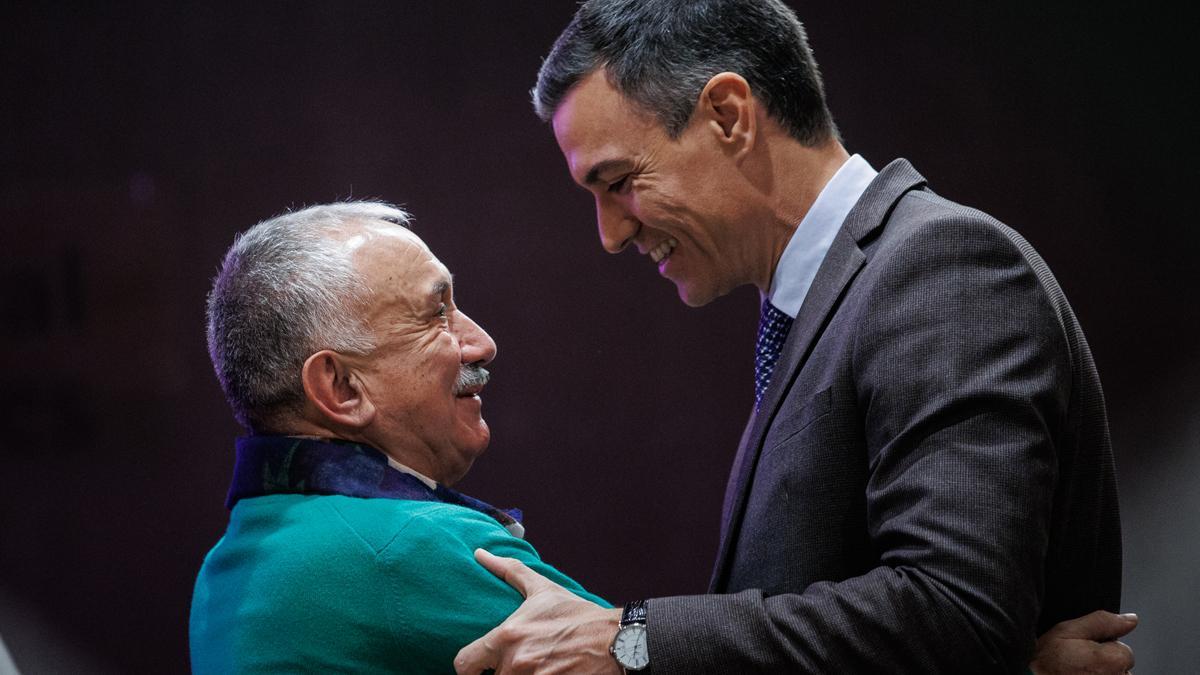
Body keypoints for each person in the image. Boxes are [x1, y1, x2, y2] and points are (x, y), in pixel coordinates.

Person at [454, 1, 1136, 672]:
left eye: (620, 182)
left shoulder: (943, 265)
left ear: (729, 115)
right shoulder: (821, 307)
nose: (611, 233)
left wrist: (629, 640)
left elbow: (957, 613)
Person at [189, 202, 607, 673]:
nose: (481, 343)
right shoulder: (416, 549)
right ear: (341, 387)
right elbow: (639, 653)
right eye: (436, 314)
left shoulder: (220, 574)